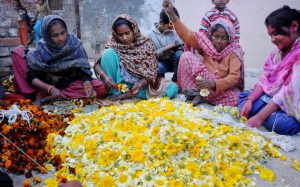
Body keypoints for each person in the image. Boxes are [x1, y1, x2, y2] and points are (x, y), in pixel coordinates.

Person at [163, 0, 244, 106]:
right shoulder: (206, 45)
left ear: (230, 39)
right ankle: (198, 94)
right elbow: (187, 35)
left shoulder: (234, 52)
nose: (219, 41)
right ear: (210, 36)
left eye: (224, 38)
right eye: (216, 37)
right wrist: (172, 15)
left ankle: (204, 97)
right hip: (202, 86)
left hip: (219, 90)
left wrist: (214, 84)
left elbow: (234, 77)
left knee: (237, 98)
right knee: (186, 56)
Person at [11, 15, 108, 104]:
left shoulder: (75, 44)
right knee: (18, 51)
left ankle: (54, 96)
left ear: (66, 30)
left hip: (70, 84)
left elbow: (83, 70)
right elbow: (31, 76)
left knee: (101, 88)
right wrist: (50, 89)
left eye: (63, 33)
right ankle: (48, 93)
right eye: (55, 35)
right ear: (47, 36)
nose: (61, 38)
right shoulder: (41, 49)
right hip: (46, 84)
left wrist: (87, 85)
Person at [238, 6, 300, 135]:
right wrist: (250, 100)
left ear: (294, 26)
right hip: (273, 99)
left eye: (276, 34)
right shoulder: (276, 53)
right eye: (270, 35)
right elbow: (263, 80)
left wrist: (260, 117)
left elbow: (287, 94)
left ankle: (265, 115)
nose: (272, 39)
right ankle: (263, 112)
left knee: (277, 124)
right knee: (244, 97)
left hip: (291, 104)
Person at [94, 14, 178, 101]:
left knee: (173, 87)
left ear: (134, 30)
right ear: (116, 34)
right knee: (107, 53)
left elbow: (151, 73)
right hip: (119, 86)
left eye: (127, 33)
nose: (124, 38)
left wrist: (139, 86)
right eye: (120, 35)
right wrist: (105, 77)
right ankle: (115, 92)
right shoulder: (114, 44)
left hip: (141, 86)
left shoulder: (146, 45)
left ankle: (132, 95)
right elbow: (97, 65)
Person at [148, 8, 183, 82]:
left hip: (174, 60)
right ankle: (161, 84)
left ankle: (176, 81)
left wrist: (179, 46)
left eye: (173, 27)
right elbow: (150, 56)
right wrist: (164, 49)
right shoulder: (150, 35)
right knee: (158, 68)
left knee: (180, 54)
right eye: (169, 27)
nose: (172, 29)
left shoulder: (174, 30)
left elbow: (182, 46)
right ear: (161, 22)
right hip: (161, 62)